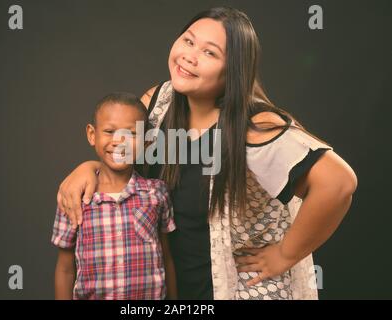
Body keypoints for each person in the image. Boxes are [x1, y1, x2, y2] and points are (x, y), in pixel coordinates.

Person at [56, 7, 357, 300]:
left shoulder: (253, 126)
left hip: (237, 289)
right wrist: (91, 167)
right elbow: (120, 150)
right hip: (174, 288)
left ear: (234, 70)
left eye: (210, 52)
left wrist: (285, 254)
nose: (189, 55)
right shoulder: (159, 102)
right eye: (188, 40)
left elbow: (338, 184)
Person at [52, 92, 177, 300]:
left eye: (131, 133)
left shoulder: (157, 193)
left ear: (147, 141)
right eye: (109, 131)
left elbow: (167, 258)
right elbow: (65, 270)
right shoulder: (74, 197)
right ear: (92, 135)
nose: (120, 141)